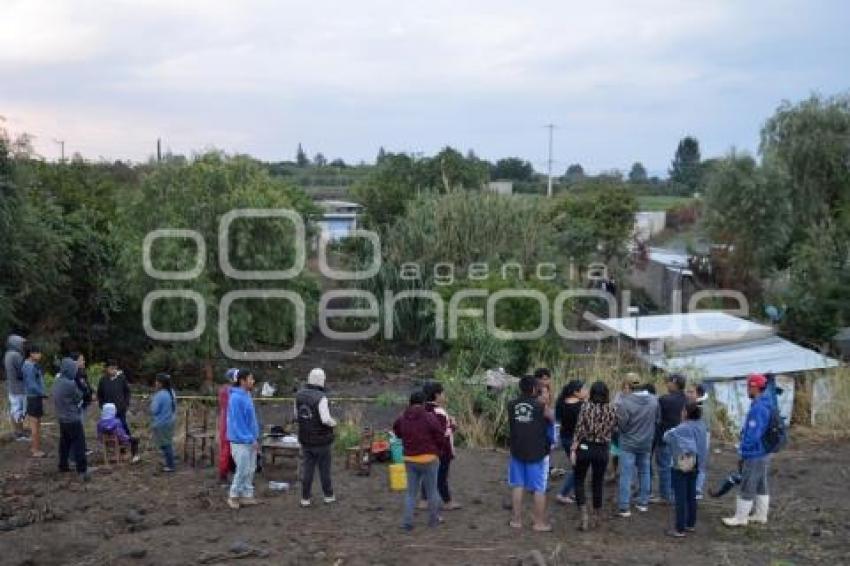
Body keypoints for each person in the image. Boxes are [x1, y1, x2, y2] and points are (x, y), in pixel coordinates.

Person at [723, 373, 774, 527]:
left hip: (755, 452)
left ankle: (740, 518)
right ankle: (760, 515)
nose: (747, 390)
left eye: (748, 387)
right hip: (764, 451)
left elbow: (752, 434)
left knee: (747, 483)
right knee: (761, 484)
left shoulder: (758, 408)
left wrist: (743, 450)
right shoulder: (767, 403)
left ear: (754, 387)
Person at [393, 390, 444, 531]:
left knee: (410, 493)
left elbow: (397, 430)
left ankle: (407, 523)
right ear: (423, 403)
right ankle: (433, 521)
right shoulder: (429, 417)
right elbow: (440, 434)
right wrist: (438, 450)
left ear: (410, 402)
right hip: (429, 459)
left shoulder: (402, 417)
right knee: (432, 491)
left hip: (410, 459)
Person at [571, 381, 618, 531]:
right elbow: (615, 428)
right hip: (602, 449)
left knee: (579, 480)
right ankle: (597, 516)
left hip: (585, 446)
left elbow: (578, 429)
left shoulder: (585, 407)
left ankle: (584, 515)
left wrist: (573, 448)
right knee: (597, 483)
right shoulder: (612, 408)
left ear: (591, 392)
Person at [507, 375, 552, 532]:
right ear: (534, 389)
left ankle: (516, 520)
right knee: (539, 488)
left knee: (517, 485)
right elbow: (553, 418)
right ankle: (539, 523)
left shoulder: (511, 404)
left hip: (517, 449)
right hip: (536, 451)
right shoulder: (540, 406)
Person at [663, 401, 708, 537]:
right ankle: (690, 524)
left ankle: (679, 529)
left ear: (686, 413)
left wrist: (673, 429)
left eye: (683, 411)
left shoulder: (683, 428)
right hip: (697, 463)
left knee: (680, 497)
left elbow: (666, 437)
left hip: (683, 464)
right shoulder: (701, 426)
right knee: (691, 495)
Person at [616, 375, 658, 517]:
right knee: (644, 471)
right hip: (646, 442)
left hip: (628, 442)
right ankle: (643, 503)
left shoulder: (624, 402)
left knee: (626, 474)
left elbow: (622, 425)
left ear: (628, 385)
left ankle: (624, 507)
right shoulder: (654, 400)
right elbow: (657, 420)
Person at [295, 368, 337, 507]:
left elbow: (296, 416)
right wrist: (334, 422)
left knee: (307, 470)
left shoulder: (299, 395)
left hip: (305, 440)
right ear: (321, 380)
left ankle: (305, 498)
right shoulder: (321, 397)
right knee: (324, 470)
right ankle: (328, 496)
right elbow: (325, 419)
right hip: (322, 441)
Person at [419, 381, 460, 510]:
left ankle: (423, 501)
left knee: (428, 474)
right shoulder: (439, 411)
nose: (444, 395)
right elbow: (442, 433)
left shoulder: (422, 409)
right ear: (437, 395)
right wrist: (453, 425)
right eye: (443, 393)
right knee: (442, 477)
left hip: (427, 449)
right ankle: (448, 502)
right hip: (442, 450)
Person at [226, 368, 260, 509]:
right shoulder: (235, 398)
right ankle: (233, 496)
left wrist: (254, 437)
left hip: (250, 439)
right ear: (242, 381)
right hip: (240, 441)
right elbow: (237, 422)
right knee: (242, 469)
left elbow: (251, 419)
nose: (253, 381)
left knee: (251, 468)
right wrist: (249, 438)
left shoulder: (247, 395)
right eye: (250, 379)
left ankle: (246, 495)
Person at [53, 357, 89, 480]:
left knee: (64, 444)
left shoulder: (57, 381)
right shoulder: (70, 384)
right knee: (79, 444)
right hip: (72, 418)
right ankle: (82, 470)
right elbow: (79, 397)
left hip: (62, 418)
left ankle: (63, 465)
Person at [654, 373, 687, 504]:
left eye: (668, 382)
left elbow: (657, 419)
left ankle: (665, 496)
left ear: (674, 384)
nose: (667, 384)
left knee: (664, 467)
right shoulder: (688, 400)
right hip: (683, 439)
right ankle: (679, 494)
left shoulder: (664, 400)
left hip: (665, 437)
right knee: (682, 467)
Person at [555, 379, 585, 504]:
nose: (586, 391)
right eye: (584, 389)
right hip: (576, 441)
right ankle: (563, 493)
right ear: (576, 392)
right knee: (578, 468)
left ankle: (572, 492)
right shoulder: (581, 406)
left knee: (576, 466)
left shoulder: (562, 403)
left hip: (565, 438)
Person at [22, 344, 47, 457]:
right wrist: (43, 393)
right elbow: (32, 385)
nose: (40, 355)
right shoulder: (29, 366)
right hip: (33, 397)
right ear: (31, 353)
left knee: (37, 424)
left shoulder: (32, 364)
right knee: (35, 425)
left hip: (35, 397)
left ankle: (36, 448)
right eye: (38, 353)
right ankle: (35, 450)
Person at [150, 373, 177, 472]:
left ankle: (170, 465)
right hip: (170, 421)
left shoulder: (159, 395)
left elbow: (154, 410)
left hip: (161, 423)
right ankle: (170, 461)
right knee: (167, 442)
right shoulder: (172, 392)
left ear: (161, 383)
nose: (155, 383)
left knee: (165, 444)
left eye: (157, 381)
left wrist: (152, 401)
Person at [690, 383, 712, 498]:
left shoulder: (700, 405)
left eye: (692, 392)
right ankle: (696, 488)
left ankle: (696, 489)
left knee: (697, 461)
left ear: (698, 393)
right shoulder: (703, 404)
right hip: (704, 434)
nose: (689, 394)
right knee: (699, 461)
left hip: (701, 434)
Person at [97, 359, 131, 436]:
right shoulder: (103, 380)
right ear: (107, 369)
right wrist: (101, 405)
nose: (114, 370)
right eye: (111, 368)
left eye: (115, 368)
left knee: (123, 426)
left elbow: (127, 392)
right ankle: (114, 444)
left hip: (120, 409)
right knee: (110, 429)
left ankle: (128, 442)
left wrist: (126, 404)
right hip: (108, 410)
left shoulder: (121, 378)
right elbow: (100, 394)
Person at [4, 334, 28, 441]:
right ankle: (19, 434)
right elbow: (21, 372)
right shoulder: (16, 355)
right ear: (16, 343)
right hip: (19, 388)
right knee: (19, 411)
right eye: (21, 343)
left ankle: (18, 432)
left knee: (15, 410)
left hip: (12, 387)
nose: (23, 345)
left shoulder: (8, 354)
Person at [217, 368, 239, 483]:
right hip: (228, 422)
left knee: (230, 447)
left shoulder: (227, 390)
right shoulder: (229, 391)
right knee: (226, 448)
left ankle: (229, 468)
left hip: (227, 420)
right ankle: (223, 473)